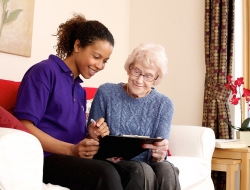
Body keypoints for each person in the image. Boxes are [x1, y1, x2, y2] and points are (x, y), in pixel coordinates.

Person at [14, 13, 143, 190]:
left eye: (105, 61)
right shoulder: (44, 71)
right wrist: (71, 150)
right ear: (78, 46)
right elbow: (24, 126)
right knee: (106, 173)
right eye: (96, 57)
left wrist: (90, 135)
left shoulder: (79, 90)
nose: (100, 66)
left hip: (72, 159)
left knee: (131, 177)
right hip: (46, 159)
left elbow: (73, 138)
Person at [88, 43, 181, 190]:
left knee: (167, 170)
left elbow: (158, 154)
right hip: (114, 162)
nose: (139, 80)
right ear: (129, 68)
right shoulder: (106, 92)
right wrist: (95, 137)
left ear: (156, 78)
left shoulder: (164, 104)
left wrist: (159, 154)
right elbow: (90, 137)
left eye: (148, 76)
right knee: (143, 171)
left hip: (147, 162)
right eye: (136, 71)